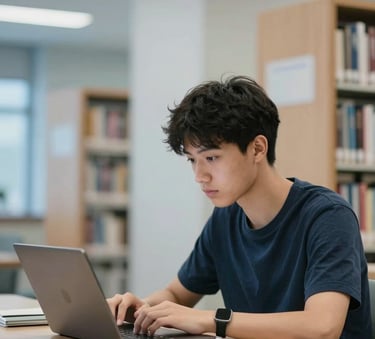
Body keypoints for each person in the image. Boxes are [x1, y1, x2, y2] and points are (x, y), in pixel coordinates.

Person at [107, 75, 372, 338]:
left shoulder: (327, 216)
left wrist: (213, 320)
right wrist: (142, 310)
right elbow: (177, 293)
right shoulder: (226, 217)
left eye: (211, 157)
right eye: (192, 160)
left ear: (257, 149)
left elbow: (322, 327)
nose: (200, 175)